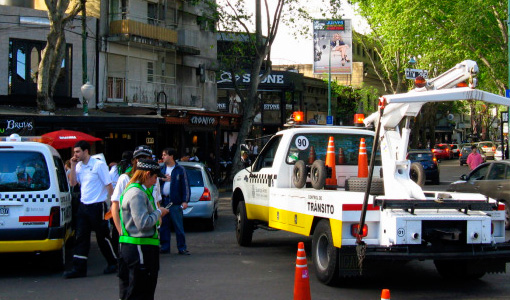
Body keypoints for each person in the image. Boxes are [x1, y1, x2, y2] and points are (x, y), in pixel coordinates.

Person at [64, 140, 118, 279]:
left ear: (86, 151)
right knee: (81, 237)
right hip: (83, 205)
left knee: (102, 236)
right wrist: (73, 165)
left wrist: (113, 204)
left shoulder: (98, 165)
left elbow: (108, 185)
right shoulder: (79, 165)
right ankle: (79, 268)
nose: (75, 154)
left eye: (77, 152)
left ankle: (113, 262)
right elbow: (73, 183)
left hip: (97, 205)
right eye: (74, 152)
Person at [118, 159, 169, 300]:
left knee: (138, 290)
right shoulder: (137, 193)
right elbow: (143, 222)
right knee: (140, 291)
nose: (155, 182)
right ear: (147, 174)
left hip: (138, 246)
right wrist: (159, 213)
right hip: (139, 248)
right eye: (154, 177)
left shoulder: (138, 191)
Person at [110, 145, 162, 254]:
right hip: (131, 235)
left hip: (150, 234)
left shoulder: (154, 178)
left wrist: (159, 220)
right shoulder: (125, 178)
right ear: (134, 160)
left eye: (146, 158)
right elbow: (115, 206)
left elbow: (156, 201)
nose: (142, 160)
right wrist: (121, 231)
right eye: (140, 158)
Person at [159, 148, 191, 255]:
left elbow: (185, 186)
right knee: (164, 226)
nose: (163, 157)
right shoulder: (161, 169)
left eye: (165, 155)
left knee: (178, 226)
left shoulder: (180, 169)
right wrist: (161, 179)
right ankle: (165, 246)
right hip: (164, 201)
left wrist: (185, 200)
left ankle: (181, 247)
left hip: (175, 202)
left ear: (171, 156)